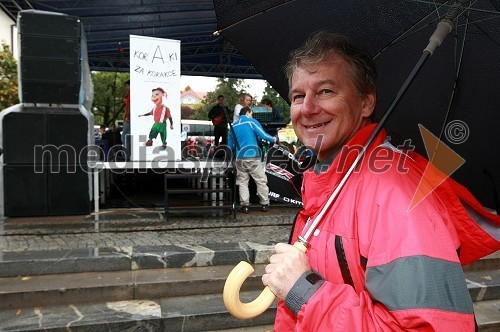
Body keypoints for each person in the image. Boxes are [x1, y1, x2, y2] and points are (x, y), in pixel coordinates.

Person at [262, 30, 500, 331]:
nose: (307, 109)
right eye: (298, 96)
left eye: (325, 92)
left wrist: (304, 291)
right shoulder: (329, 182)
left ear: (366, 103)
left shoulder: (398, 193)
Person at [228, 106, 277, 213]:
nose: (252, 116)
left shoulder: (233, 126)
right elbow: (262, 135)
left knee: (242, 182)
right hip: (252, 156)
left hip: (240, 158)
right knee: (260, 180)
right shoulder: (251, 122)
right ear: (247, 113)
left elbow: (230, 145)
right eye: (251, 114)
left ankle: (245, 205)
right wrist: (274, 139)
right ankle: (265, 203)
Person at [121, 80, 131, 160]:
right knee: (128, 136)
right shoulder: (129, 94)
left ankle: (126, 154)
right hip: (129, 118)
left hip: (129, 118)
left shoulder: (131, 94)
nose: (126, 88)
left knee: (124, 136)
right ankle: (128, 154)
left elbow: (129, 107)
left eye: (126, 86)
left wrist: (127, 117)